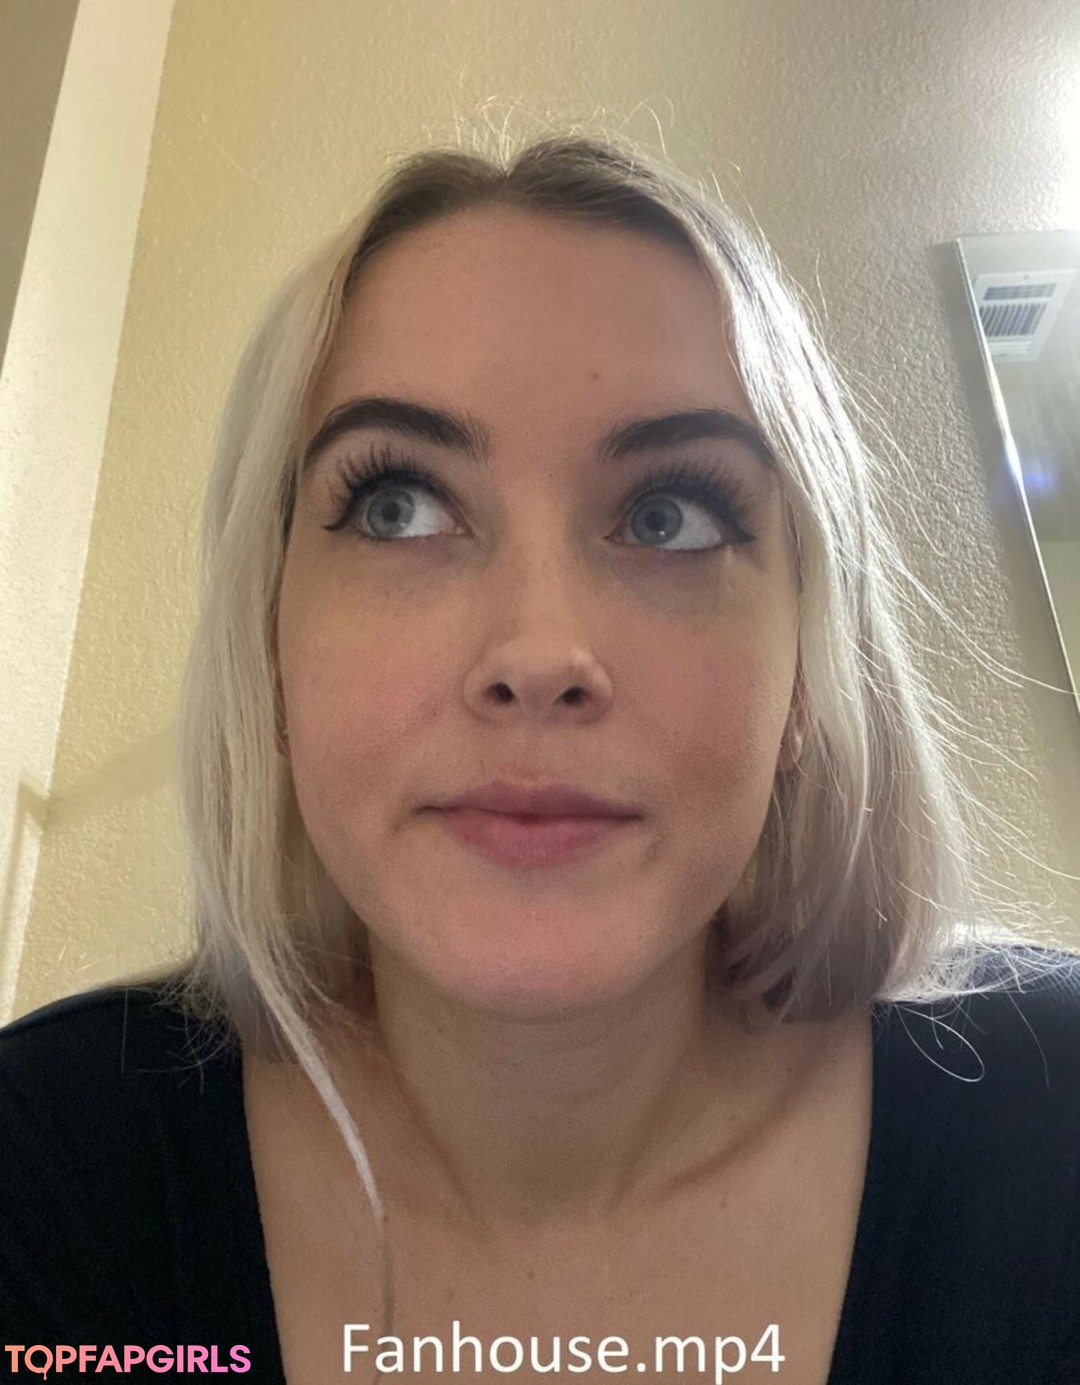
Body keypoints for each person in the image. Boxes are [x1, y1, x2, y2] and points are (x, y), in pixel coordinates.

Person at [1, 126, 1078, 1385]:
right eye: (398, 505)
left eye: (668, 516)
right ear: (269, 646)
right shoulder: (47, 1166)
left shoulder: (1053, 1123)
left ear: (807, 674)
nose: (539, 652)